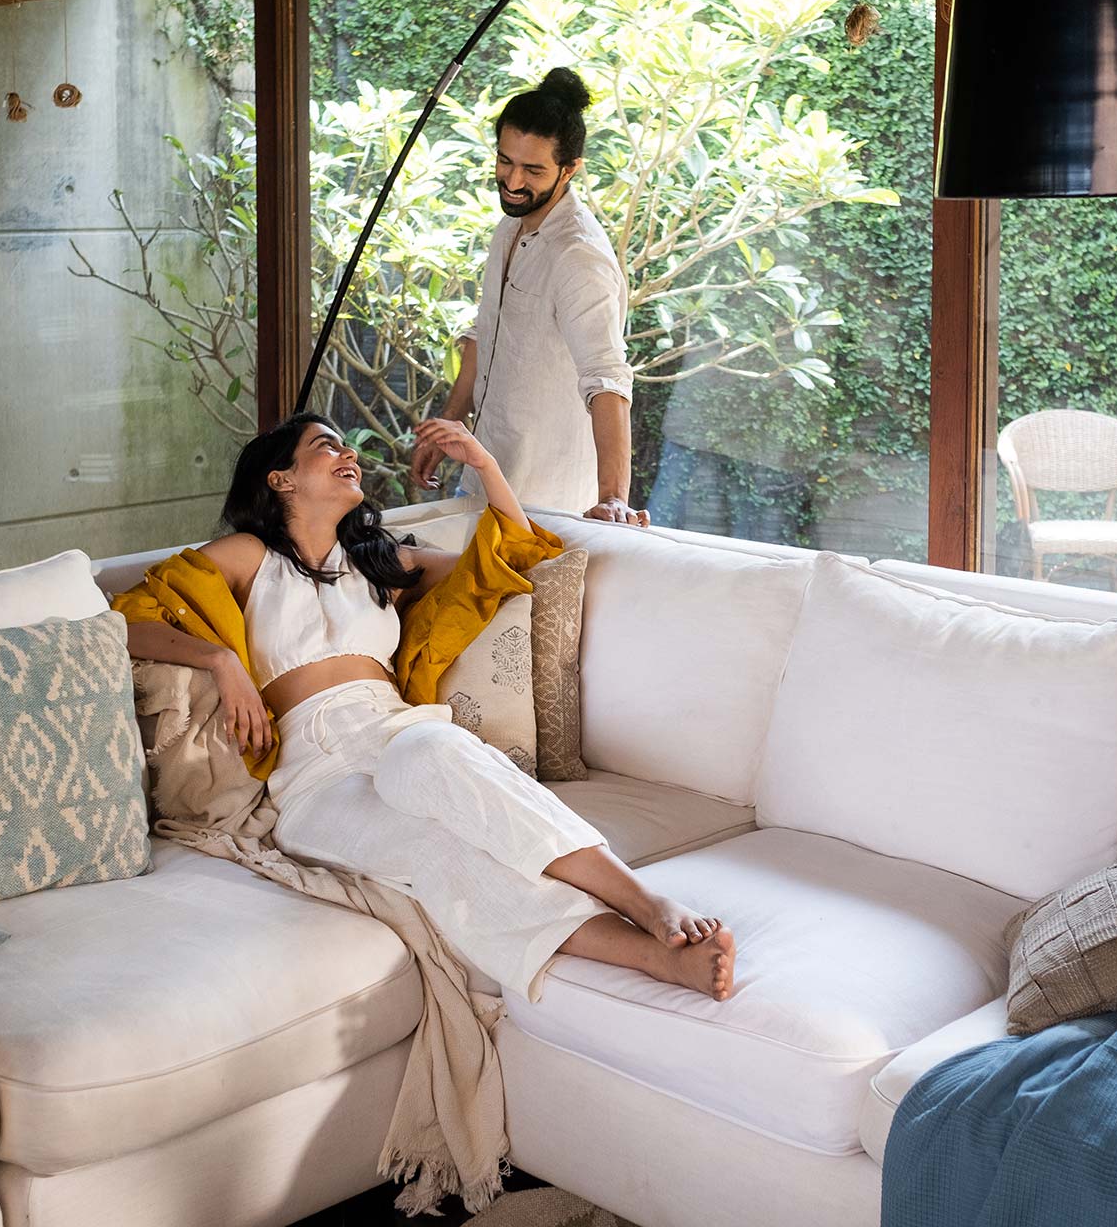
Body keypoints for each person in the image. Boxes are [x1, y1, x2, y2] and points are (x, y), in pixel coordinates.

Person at [126, 411, 734, 1002]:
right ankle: (656, 959)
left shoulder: (384, 563)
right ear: (280, 479)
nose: (349, 454)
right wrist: (221, 662)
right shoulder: (246, 556)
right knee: (439, 857)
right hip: (309, 776)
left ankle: (642, 902)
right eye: (326, 446)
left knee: (431, 751)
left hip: (395, 729)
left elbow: (509, 560)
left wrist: (484, 464)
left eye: (346, 446)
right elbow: (128, 619)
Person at [411, 67, 648, 527]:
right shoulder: (510, 225)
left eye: (533, 170)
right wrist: (447, 427)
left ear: (570, 168)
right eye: (505, 162)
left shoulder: (579, 257)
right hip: (482, 476)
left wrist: (614, 498)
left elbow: (608, 379)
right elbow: (485, 333)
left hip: (544, 502)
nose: (513, 181)